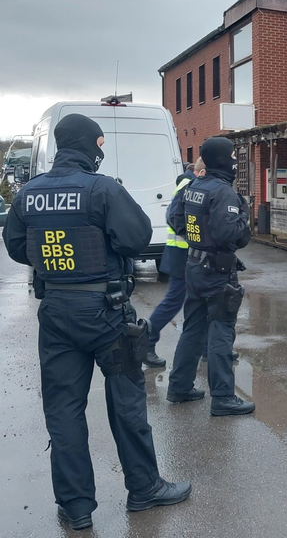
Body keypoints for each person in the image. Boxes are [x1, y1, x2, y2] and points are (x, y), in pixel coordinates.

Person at [2, 114, 190, 530]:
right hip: (106, 313)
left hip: (55, 313)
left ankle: (76, 506)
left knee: (64, 409)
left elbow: (17, 247)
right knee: (126, 402)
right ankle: (144, 489)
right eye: (100, 144)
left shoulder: (29, 194)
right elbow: (137, 237)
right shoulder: (102, 188)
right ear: (92, 145)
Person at [167, 137, 254, 416]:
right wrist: (244, 215)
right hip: (217, 272)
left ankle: (179, 388)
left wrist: (199, 241)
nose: (234, 160)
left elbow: (174, 219)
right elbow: (230, 234)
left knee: (193, 328)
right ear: (222, 159)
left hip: (193, 265)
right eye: (231, 156)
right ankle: (223, 397)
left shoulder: (193, 185)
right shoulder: (224, 192)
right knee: (221, 331)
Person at [142, 159, 206, 367]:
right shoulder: (189, 185)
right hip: (183, 254)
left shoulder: (187, 183)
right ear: (202, 172)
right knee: (174, 301)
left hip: (184, 253)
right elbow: (175, 217)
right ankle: (146, 342)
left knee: (199, 300)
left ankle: (205, 346)